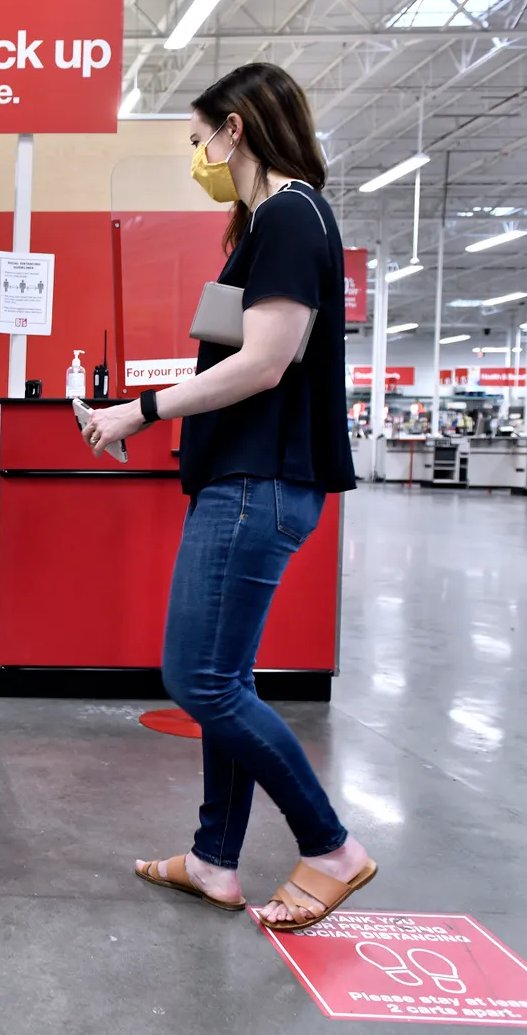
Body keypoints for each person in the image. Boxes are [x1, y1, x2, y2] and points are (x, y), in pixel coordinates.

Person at [82, 63, 372, 932]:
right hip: (246, 480)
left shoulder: (290, 215)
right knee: (225, 677)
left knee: (199, 680)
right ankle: (215, 858)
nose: (200, 156)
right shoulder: (269, 227)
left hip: (258, 483)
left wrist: (136, 411)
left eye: (202, 138)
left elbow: (265, 363)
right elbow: (230, 357)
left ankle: (330, 847)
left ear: (237, 129)